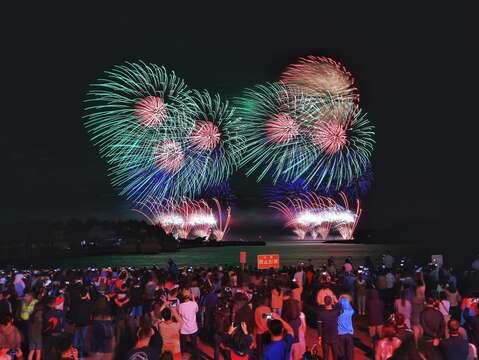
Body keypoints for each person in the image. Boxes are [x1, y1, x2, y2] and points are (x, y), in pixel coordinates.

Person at [316, 295, 340, 360]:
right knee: (335, 355)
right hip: (334, 337)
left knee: (325, 356)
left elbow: (319, 327)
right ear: (331, 302)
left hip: (325, 337)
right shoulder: (335, 312)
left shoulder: (321, 313)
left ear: (324, 302)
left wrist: (319, 338)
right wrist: (336, 300)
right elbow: (339, 307)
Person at [177, 289, 198, 357]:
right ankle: (194, 356)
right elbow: (196, 311)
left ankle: (183, 356)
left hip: (184, 328)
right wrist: (194, 299)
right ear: (190, 296)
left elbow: (179, 315)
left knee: (183, 344)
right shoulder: (194, 304)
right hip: (193, 327)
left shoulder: (181, 306)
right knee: (194, 344)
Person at [337, 296, 355, 360]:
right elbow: (352, 309)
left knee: (341, 352)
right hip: (349, 334)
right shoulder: (350, 312)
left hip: (340, 334)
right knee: (350, 352)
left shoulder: (338, 312)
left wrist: (338, 302)